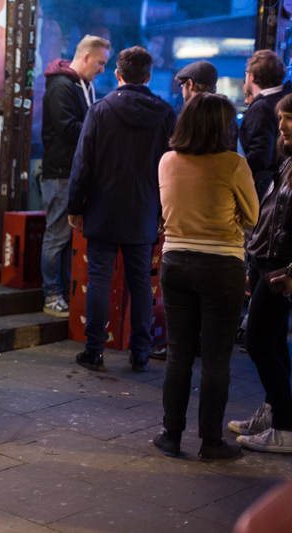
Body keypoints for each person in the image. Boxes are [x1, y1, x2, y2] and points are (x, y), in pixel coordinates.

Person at [152, 93, 259, 461]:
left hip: (175, 262)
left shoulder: (167, 161)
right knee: (216, 358)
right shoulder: (233, 164)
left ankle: (170, 435)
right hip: (222, 266)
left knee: (179, 352)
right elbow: (253, 217)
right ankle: (211, 442)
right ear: (224, 127)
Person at [67, 46, 176, 373]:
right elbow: (171, 167)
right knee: (141, 280)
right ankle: (141, 352)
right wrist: (164, 210)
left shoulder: (101, 110)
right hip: (144, 209)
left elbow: (83, 162)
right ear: (149, 76)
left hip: (103, 206)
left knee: (99, 276)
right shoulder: (166, 114)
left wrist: (76, 206)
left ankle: (94, 350)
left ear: (117, 74)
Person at [229, 93, 292, 454]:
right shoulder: (286, 164)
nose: (281, 126)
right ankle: (275, 413)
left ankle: (285, 425)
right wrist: (254, 259)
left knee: (258, 344)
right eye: (281, 118)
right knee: (274, 343)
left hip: (281, 268)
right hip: (269, 262)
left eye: (289, 119)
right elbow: (271, 217)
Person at [40, 34, 111, 318]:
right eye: (101, 63)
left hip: (72, 172)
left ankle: (61, 294)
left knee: (67, 239)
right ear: (85, 57)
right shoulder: (60, 86)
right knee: (57, 237)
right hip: (60, 173)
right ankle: (51, 296)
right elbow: (68, 128)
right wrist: (101, 131)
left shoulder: (85, 86)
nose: (102, 69)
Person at [239, 50, 292, 199]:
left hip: (261, 189)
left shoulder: (262, 107)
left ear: (252, 76)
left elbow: (260, 155)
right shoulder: (284, 99)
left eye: (246, 73)